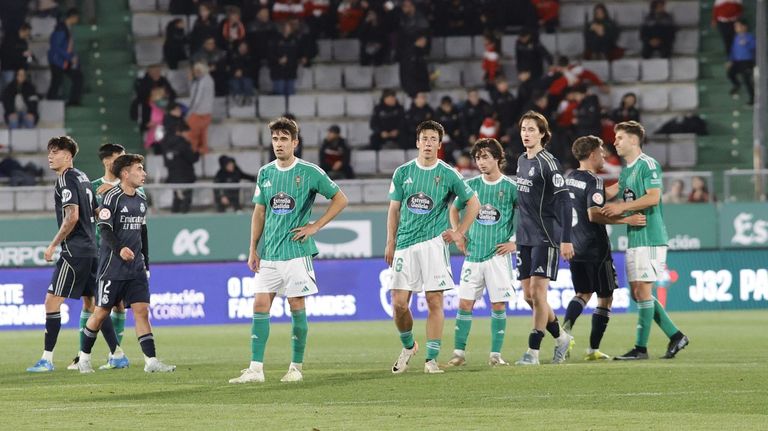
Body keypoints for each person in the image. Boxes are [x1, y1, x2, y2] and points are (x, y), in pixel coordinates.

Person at [229, 117, 349, 384]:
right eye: (275, 139)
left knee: (296, 304)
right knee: (260, 305)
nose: (279, 144)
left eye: (284, 139)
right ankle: (256, 369)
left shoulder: (310, 172)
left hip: (296, 252)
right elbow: (259, 212)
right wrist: (253, 248)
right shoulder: (265, 173)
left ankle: (295, 367)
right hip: (269, 253)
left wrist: (316, 226)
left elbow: (341, 199)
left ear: (295, 142)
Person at [386, 120, 480, 374]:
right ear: (417, 142)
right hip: (405, 244)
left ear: (439, 144)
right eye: (424, 138)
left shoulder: (449, 173)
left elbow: (473, 203)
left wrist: (459, 232)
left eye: (433, 139)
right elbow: (394, 209)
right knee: (399, 303)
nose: (428, 143)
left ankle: (431, 359)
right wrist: (390, 242)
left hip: (433, 245)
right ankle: (408, 346)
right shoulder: (403, 172)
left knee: (434, 300)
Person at [26, 136, 124, 372]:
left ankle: (47, 359)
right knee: (96, 305)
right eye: (49, 151)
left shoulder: (66, 179)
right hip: (91, 249)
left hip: (75, 250)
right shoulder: (82, 177)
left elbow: (72, 216)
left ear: (68, 156)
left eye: (56, 152)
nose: (50, 155)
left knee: (52, 301)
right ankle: (118, 354)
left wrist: (53, 245)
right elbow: (97, 210)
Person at [78, 154, 175, 373]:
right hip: (112, 267)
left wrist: (146, 264)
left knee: (142, 311)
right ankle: (84, 357)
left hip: (136, 268)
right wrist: (120, 248)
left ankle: (151, 361)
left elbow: (143, 232)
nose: (144, 173)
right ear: (125, 173)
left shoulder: (141, 199)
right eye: (139, 169)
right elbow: (104, 229)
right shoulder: (112, 197)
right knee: (101, 313)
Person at [602, 121, 689, 360]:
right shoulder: (627, 170)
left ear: (633, 140)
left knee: (643, 291)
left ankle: (640, 348)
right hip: (635, 238)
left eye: (619, 137)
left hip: (651, 236)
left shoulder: (648, 165)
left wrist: (622, 207)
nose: (615, 142)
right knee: (638, 293)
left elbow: (652, 197)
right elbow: (609, 191)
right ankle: (675, 335)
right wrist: (583, 184)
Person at [562, 136, 646, 361]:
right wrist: (625, 219)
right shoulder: (593, 180)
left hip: (576, 245)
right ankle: (592, 350)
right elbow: (594, 213)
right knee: (605, 297)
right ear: (591, 155)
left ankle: (564, 336)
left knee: (581, 294)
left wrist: (624, 180)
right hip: (595, 248)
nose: (604, 156)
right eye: (600, 152)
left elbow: (599, 198)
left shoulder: (572, 177)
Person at [67, 143, 145, 371]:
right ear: (106, 161)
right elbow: (84, 217)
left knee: (118, 306)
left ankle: (115, 354)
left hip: (126, 254)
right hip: (100, 254)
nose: (122, 162)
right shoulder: (92, 187)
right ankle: (84, 354)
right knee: (92, 303)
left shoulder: (136, 189)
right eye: (119, 158)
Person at [445, 138, 517, 368]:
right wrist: (458, 234)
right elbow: (454, 209)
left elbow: (529, 218)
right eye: (478, 157)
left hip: (498, 256)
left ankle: (495, 355)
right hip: (473, 254)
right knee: (465, 304)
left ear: (497, 157)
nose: (481, 161)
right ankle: (458, 354)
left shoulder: (510, 187)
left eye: (485, 156)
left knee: (498, 305)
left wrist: (515, 242)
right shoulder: (471, 186)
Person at [513, 111, 575, 366]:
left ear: (542, 134)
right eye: (524, 129)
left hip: (545, 236)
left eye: (531, 130)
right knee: (528, 296)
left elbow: (564, 202)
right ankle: (561, 338)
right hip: (524, 237)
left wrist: (566, 238)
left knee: (538, 294)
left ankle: (533, 352)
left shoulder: (549, 163)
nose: (526, 134)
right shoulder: (521, 160)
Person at [160, 120, 199, 213]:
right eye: (186, 132)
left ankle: (174, 220)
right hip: (185, 177)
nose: (188, 134)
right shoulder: (183, 144)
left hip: (173, 176)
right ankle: (183, 222)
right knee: (186, 200)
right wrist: (197, 152)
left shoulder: (166, 143)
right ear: (180, 132)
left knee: (177, 199)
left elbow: (166, 162)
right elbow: (192, 158)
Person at [46, 8, 83, 106]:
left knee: (78, 77)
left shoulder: (68, 28)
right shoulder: (61, 28)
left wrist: (73, 57)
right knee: (56, 82)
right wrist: (70, 57)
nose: (78, 20)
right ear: (73, 17)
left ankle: (73, 101)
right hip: (57, 60)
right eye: (77, 18)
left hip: (65, 60)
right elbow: (56, 47)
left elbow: (68, 46)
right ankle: (50, 103)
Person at [187, 62, 215, 154]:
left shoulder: (202, 81)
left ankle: (192, 150)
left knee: (192, 133)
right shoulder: (209, 80)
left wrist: (190, 111)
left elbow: (196, 98)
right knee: (203, 134)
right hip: (207, 112)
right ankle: (202, 150)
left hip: (199, 112)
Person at [268, 22, 302, 96]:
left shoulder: (295, 40)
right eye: (285, 27)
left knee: (290, 95)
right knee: (279, 95)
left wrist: (290, 60)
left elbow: (298, 54)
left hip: (291, 71)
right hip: (278, 71)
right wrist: (278, 60)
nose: (287, 29)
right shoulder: (275, 39)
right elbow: (270, 54)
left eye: (289, 27)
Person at [727, 19, 755, 105]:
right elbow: (733, 50)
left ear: (744, 27)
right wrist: (730, 60)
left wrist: (747, 43)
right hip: (737, 62)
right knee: (730, 73)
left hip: (746, 62)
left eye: (738, 26)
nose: (736, 28)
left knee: (747, 80)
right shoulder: (736, 38)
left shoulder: (749, 37)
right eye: (735, 26)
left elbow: (755, 47)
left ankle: (752, 99)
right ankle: (737, 85)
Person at [0, 22, 32, 87]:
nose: (28, 33)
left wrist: (29, 57)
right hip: (8, 68)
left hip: (18, 70)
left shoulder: (24, 42)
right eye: (27, 31)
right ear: (22, 30)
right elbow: (8, 54)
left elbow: (25, 56)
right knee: (7, 87)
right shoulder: (10, 39)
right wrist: (22, 54)